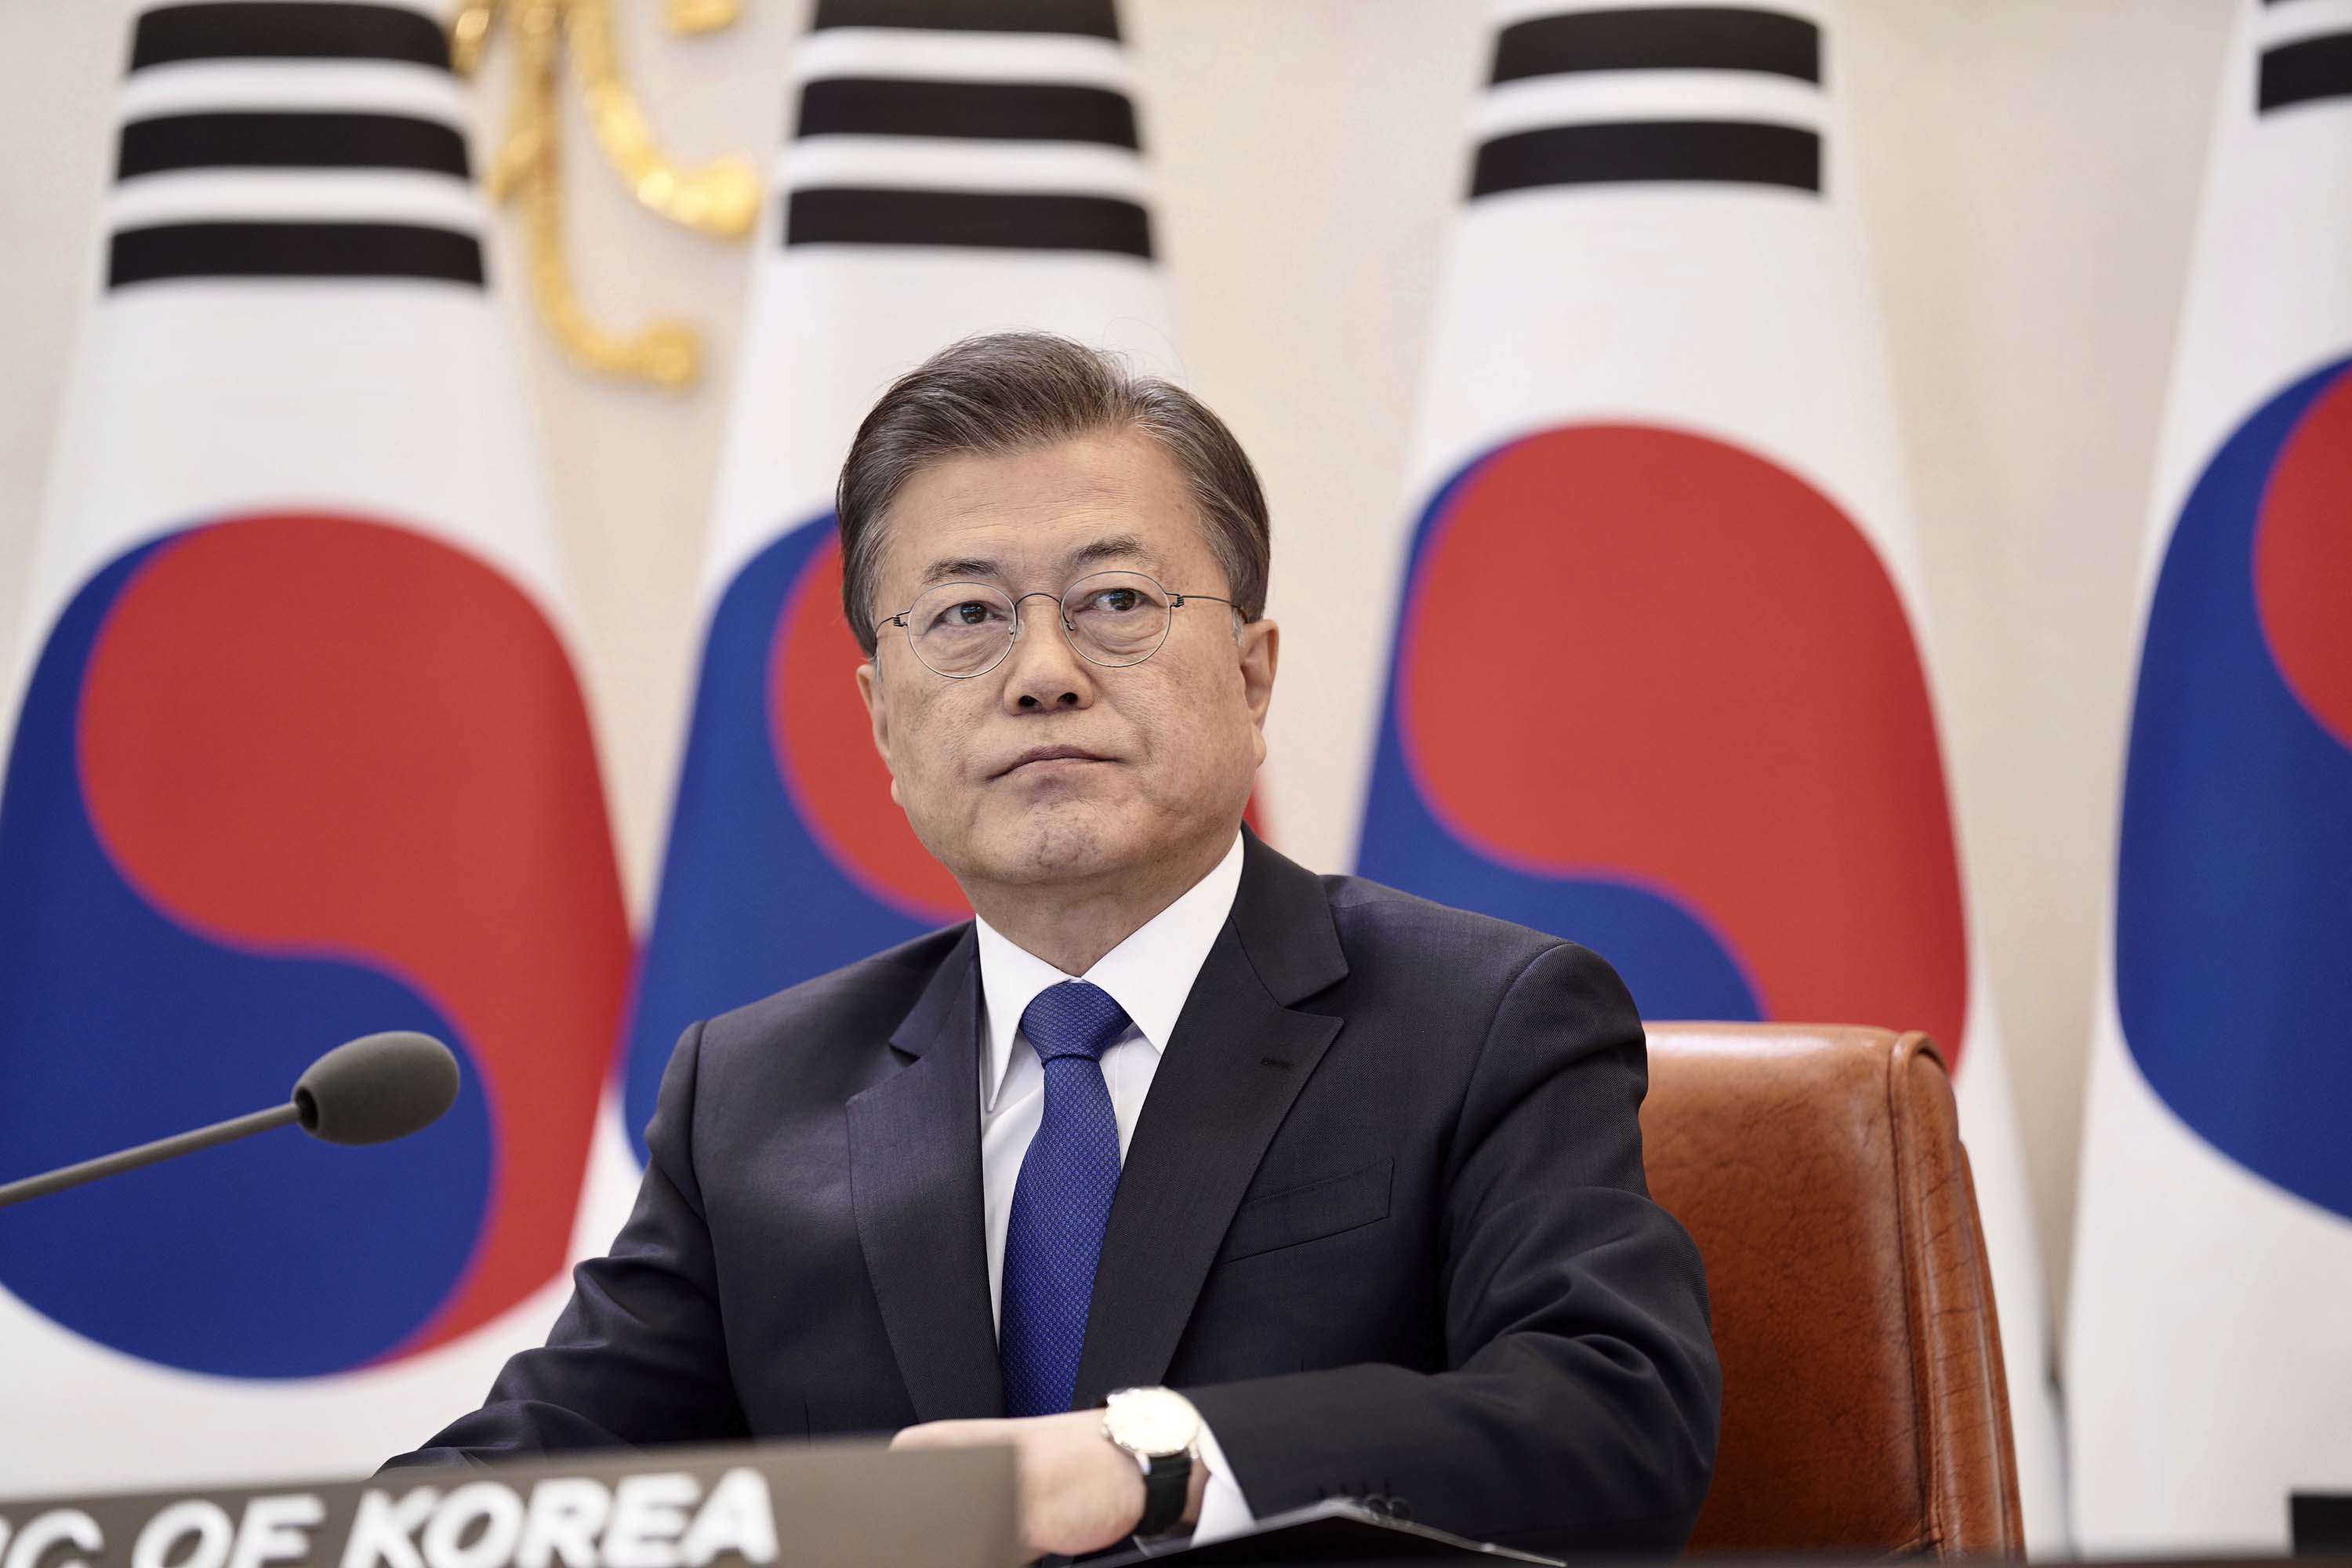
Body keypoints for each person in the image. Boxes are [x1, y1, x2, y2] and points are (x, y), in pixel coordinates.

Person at [389, 332, 1721, 1561]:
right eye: (966, 617)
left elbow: (1614, 1421)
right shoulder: (751, 1094)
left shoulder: (1481, 1022)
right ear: (881, 720)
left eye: (1117, 601)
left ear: (1254, 678)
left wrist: (1152, 1464)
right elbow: (536, 1484)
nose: (1042, 672)